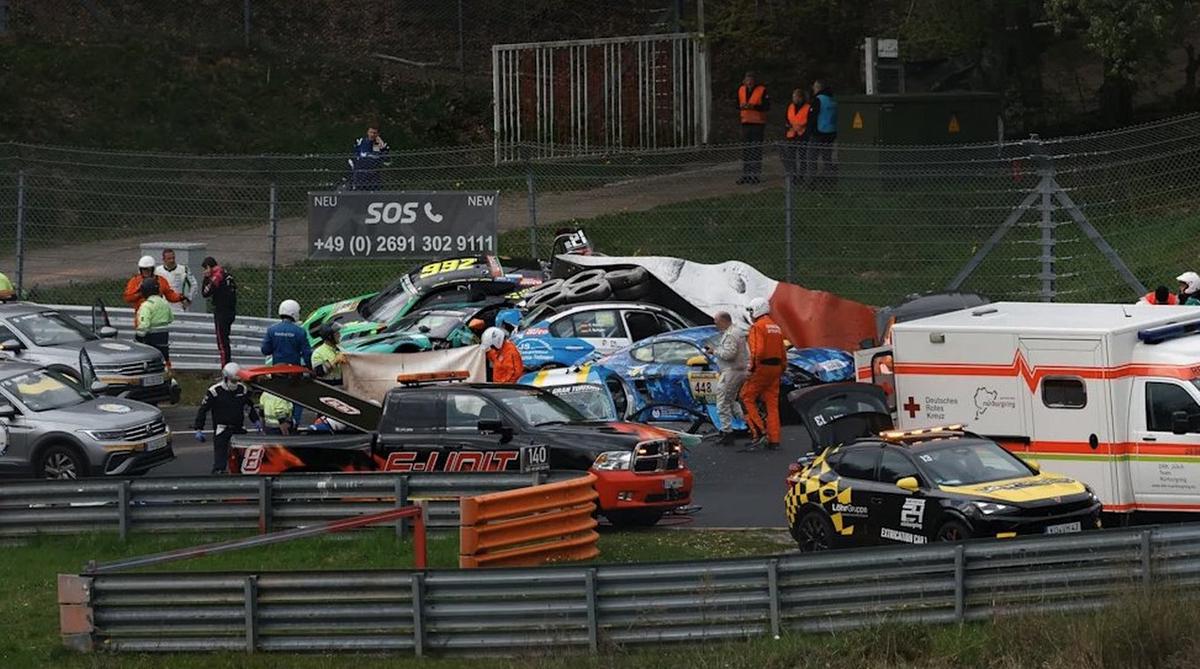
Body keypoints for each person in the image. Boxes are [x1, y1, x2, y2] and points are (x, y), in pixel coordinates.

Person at [193, 363, 261, 474]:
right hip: (222, 429)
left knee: (242, 458)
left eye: (237, 381)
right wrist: (199, 428)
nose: (235, 383)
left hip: (239, 428)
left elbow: (248, 407)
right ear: (225, 378)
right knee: (220, 459)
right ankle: (219, 474)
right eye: (233, 381)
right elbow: (203, 410)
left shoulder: (242, 389)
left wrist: (256, 420)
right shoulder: (214, 391)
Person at [739, 297, 786, 451]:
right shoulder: (776, 327)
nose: (750, 314)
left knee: (745, 397)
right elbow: (783, 351)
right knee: (772, 405)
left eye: (751, 311)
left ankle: (759, 432)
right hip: (776, 368)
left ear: (757, 310)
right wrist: (782, 368)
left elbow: (757, 351)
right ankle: (774, 439)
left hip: (762, 368)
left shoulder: (757, 327)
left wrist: (751, 369)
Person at [262, 299, 312, 425]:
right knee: (297, 399)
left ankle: (277, 421)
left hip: (277, 371)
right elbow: (307, 354)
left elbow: (265, 350)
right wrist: (311, 369)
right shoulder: (300, 331)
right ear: (294, 313)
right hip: (294, 373)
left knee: (278, 396)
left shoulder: (272, 330)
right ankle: (294, 422)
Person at [706, 311, 748, 445]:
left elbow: (729, 354)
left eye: (717, 322)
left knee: (722, 401)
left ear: (724, 321)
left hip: (731, 371)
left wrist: (714, 351)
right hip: (738, 370)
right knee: (731, 401)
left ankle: (727, 432)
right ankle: (749, 424)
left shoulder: (731, 334)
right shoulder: (738, 332)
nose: (716, 325)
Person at [200, 257, 238, 367]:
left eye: (205, 269)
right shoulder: (226, 273)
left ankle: (225, 369)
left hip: (222, 312)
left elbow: (205, 293)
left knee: (222, 343)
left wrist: (206, 278)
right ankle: (228, 366)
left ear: (208, 267)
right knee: (225, 342)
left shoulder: (216, 276)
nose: (204, 272)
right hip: (231, 310)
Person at [736, 72, 770, 184]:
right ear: (744, 81)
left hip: (758, 123)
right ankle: (746, 174)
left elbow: (767, 106)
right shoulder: (741, 90)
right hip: (745, 123)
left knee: (756, 149)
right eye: (747, 80)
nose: (749, 82)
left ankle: (755, 175)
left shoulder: (762, 90)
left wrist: (754, 107)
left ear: (755, 81)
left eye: (751, 80)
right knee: (746, 150)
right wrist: (741, 106)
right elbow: (736, 104)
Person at [134, 277, 174, 366]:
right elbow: (171, 318)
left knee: (149, 360)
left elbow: (144, 326)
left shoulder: (146, 305)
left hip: (151, 339)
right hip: (164, 338)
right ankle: (168, 372)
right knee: (164, 358)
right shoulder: (164, 303)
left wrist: (137, 338)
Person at [808, 80, 838, 187]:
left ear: (818, 88)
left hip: (818, 132)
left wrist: (808, 132)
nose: (813, 89)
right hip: (831, 132)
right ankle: (829, 181)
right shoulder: (832, 99)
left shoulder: (818, 100)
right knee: (827, 157)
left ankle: (812, 181)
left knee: (812, 157)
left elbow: (812, 117)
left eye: (815, 87)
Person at [155, 249, 197, 314]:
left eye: (173, 258)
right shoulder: (157, 271)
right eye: (169, 259)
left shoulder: (183, 269)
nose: (172, 260)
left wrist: (189, 299)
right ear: (163, 259)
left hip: (179, 307)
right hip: (162, 307)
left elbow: (194, 285)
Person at [782, 88, 811, 184]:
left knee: (802, 157)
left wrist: (801, 127)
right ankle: (793, 175)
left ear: (801, 98)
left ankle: (801, 176)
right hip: (791, 134)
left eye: (796, 97)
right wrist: (788, 125)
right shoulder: (790, 106)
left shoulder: (808, 107)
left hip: (802, 135)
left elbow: (809, 121)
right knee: (791, 157)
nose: (794, 98)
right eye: (793, 97)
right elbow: (786, 118)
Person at [349, 124, 390, 191]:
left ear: (378, 134)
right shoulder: (361, 141)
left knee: (374, 192)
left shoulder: (382, 145)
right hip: (360, 174)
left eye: (374, 133)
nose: (372, 135)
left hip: (374, 175)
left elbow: (387, 162)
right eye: (370, 132)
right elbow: (354, 155)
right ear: (367, 132)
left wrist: (382, 148)